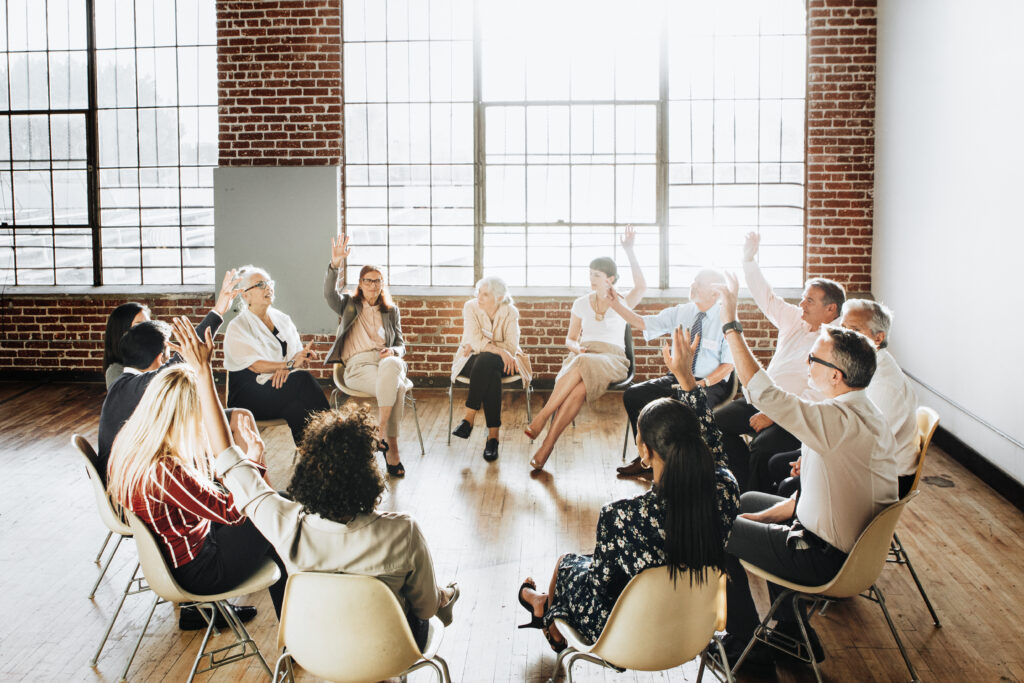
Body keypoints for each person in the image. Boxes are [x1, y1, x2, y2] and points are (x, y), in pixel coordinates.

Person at [710, 272, 898, 673]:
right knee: (743, 501)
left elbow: (764, 393)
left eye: (814, 358)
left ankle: (745, 642)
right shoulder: (862, 412)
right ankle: (791, 630)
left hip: (823, 558)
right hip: (835, 540)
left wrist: (730, 323)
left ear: (836, 375)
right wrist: (753, 518)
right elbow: (803, 499)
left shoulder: (834, 421)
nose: (807, 361)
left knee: (712, 526)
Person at [517, 326, 740, 650]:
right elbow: (713, 443)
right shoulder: (726, 488)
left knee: (567, 562)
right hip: (693, 632)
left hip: (627, 638)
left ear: (645, 454)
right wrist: (686, 379)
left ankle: (543, 609)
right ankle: (541, 605)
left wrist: (574, 566)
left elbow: (601, 586)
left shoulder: (621, 517)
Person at [216, 404, 459, 650]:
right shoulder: (403, 531)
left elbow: (229, 464)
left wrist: (204, 373)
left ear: (308, 469)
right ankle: (443, 597)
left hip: (316, 650)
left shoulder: (287, 526)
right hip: (388, 650)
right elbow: (425, 609)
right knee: (417, 598)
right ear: (368, 472)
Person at [106, 318, 288, 630]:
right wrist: (254, 461)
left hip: (180, 555)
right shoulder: (165, 468)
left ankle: (297, 623)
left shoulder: (134, 443)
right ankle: (297, 630)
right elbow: (231, 513)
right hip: (200, 571)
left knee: (273, 510)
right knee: (276, 515)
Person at [714, 232, 845, 491]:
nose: (802, 303)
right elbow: (767, 299)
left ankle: (755, 505)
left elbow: (817, 395)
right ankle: (742, 485)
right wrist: (748, 260)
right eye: (803, 297)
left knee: (762, 448)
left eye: (810, 300)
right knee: (715, 423)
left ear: (831, 310)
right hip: (764, 401)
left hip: (798, 416)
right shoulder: (796, 318)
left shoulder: (835, 342)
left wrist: (775, 415)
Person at [523, 226, 647, 470]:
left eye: (597, 275)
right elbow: (570, 339)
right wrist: (577, 348)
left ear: (610, 279)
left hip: (613, 359)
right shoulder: (580, 303)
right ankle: (546, 447)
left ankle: (542, 417)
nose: (592, 279)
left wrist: (630, 251)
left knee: (581, 364)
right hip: (584, 355)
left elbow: (641, 286)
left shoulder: (622, 301)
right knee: (578, 389)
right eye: (590, 273)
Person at [98, 270, 242, 477]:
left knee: (236, 418)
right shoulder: (123, 380)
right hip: (134, 476)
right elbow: (175, 365)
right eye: (140, 326)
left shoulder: (136, 378)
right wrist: (217, 314)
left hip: (152, 453)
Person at [772, 299, 919, 499]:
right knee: (776, 462)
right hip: (856, 455)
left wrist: (810, 461)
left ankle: (795, 524)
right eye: (842, 328)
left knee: (786, 483)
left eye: (855, 330)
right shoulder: (860, 364)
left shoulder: (883, 384)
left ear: (878, 338)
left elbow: (865, 449)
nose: (845, 336)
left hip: (884, 477)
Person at [609, 267, 735, 479]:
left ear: (715, 293)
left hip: (710, 383)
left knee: (683, 406)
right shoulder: (682, 311)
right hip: (676, 376)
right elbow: (642, 322)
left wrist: (700, 385)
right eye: (693, 281)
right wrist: (615, 304)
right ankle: (648, 458)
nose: (692, 286)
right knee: (634, 394)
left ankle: (678, 468)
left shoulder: (726, 320)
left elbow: (728, 366)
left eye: (699, 284)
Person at [323, 235, 412, 476]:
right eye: (368, 281)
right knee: (399, 389)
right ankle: (392, 448)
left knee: (393, 362)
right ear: (360, 283)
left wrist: (393, 350)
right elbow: (329, 295)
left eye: (378, 281)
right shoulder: (349, 304)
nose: (373, 285)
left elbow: (402, 345)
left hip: (386, 362)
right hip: (359, 366)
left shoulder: (391, 311)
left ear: (383, 285)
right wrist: (335, 264)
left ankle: (380, 432)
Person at [223, 265, 329, 445]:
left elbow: (295, 357)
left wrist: (298, 359)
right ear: (245, 295)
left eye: (269, 283)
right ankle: (338, 431)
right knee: (303, 380)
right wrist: (287, 366)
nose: (268, 287)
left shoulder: (282, 318)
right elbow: (256, 365)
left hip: (279, 387)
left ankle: (313, 457)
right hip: (250, 395)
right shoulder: (238, 326)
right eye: (260, 285)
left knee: (296, 410)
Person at [450, 276, 531, 462]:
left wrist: (484, 345)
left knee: (486, 359)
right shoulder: (470, 307)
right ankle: (493, 438)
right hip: (470, 360)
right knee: (490, 371)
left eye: (485, 294)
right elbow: (474, 339)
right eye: (479, 292)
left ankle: (469, 418)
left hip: (505, 362)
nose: (479, 296)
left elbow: (511, 346)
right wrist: (493, 348)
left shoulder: (511, 312)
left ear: (499, 297)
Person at [102, 302, 150, 389]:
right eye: (139, 325)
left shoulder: (153, 359)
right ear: (123, 332)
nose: (148, 330)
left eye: (148, 324)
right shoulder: (115, 371)